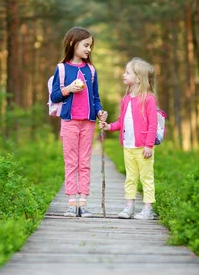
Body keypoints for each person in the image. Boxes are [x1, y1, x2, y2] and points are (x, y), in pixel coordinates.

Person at [50, 27, 107, 217]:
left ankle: (83, 203)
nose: (89, 49)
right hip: (69, 122)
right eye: (86, 45)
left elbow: (96, 97)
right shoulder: (62, 68)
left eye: (91, 46)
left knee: (85, 162)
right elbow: (55, 95)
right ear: (73, 43)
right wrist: (69, 89)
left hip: (88, 122)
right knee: (71, 162)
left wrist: (100, 112)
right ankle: (71, 203)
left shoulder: (91, 70)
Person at [99, 58, 158, 220]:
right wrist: (108, 127)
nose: (123, 75)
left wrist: (149, 145)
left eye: (127, 72)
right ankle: (129, 206)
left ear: (138, 78)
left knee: (146, 177)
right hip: (128, 147)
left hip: (143, 147)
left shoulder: (148, 99)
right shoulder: (125, 100)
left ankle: (148, 208)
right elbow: (121, 121)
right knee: (130, 178)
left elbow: (153, 124)